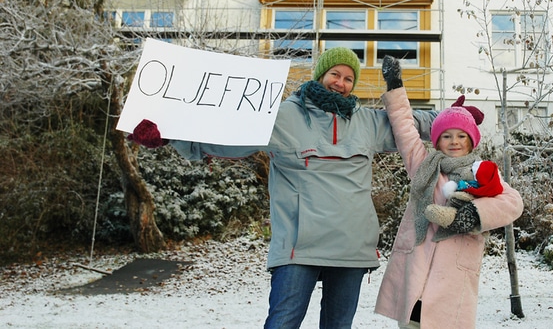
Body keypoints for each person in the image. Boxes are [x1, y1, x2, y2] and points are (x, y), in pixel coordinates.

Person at [127, 47, 436, 329]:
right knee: (282, 324)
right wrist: (170, 136)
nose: (340, 83)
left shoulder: (366, 122)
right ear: (321, 75)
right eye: (334, 74)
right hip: (297, 247)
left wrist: (456, 119)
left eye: (347, 78)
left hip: (352, 247)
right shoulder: (284, 116)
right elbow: (229, 138)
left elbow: (408, 122)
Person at [374, 56, 524, 329]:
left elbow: (513, 202)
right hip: (417, 268)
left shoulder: (482, 171)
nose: (454, 141)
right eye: (447, 136)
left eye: (461, 136)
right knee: (412, 323)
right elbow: (405, 129)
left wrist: (473, 215)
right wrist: (395, 86)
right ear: (436, 139)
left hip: (452, 278)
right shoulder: (425, 166)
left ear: (471, 141)